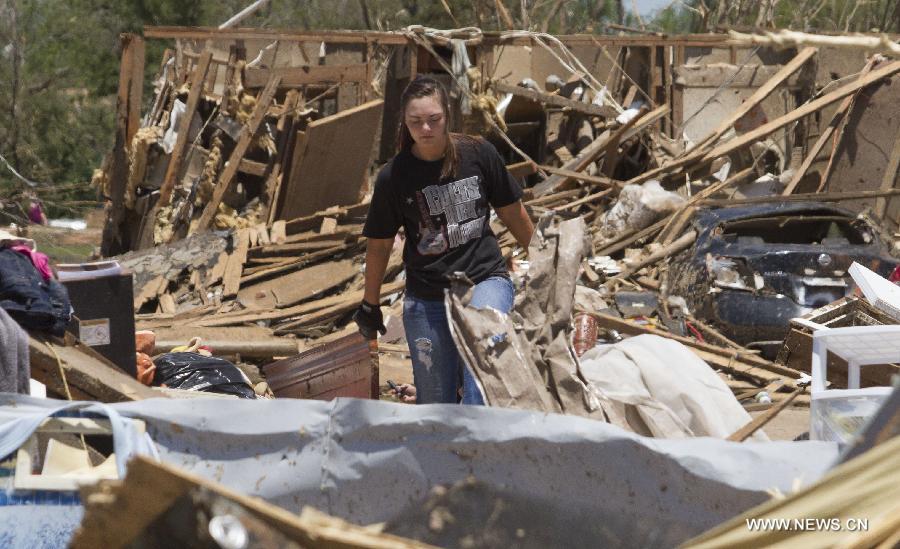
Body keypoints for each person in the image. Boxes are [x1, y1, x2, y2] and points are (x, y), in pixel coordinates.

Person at [354, 76, 534, 405]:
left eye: (433, 120)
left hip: (484, 280)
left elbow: (512, 212)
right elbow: (379, 244)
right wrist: (370, 304)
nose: (425, 129)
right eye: (416, 122)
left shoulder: (478, 153)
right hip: (428, 295)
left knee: (481, 381)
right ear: (405, 124)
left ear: (447, 116)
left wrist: (541, 260)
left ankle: (481, 448)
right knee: (435, 408)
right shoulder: (394, 177)